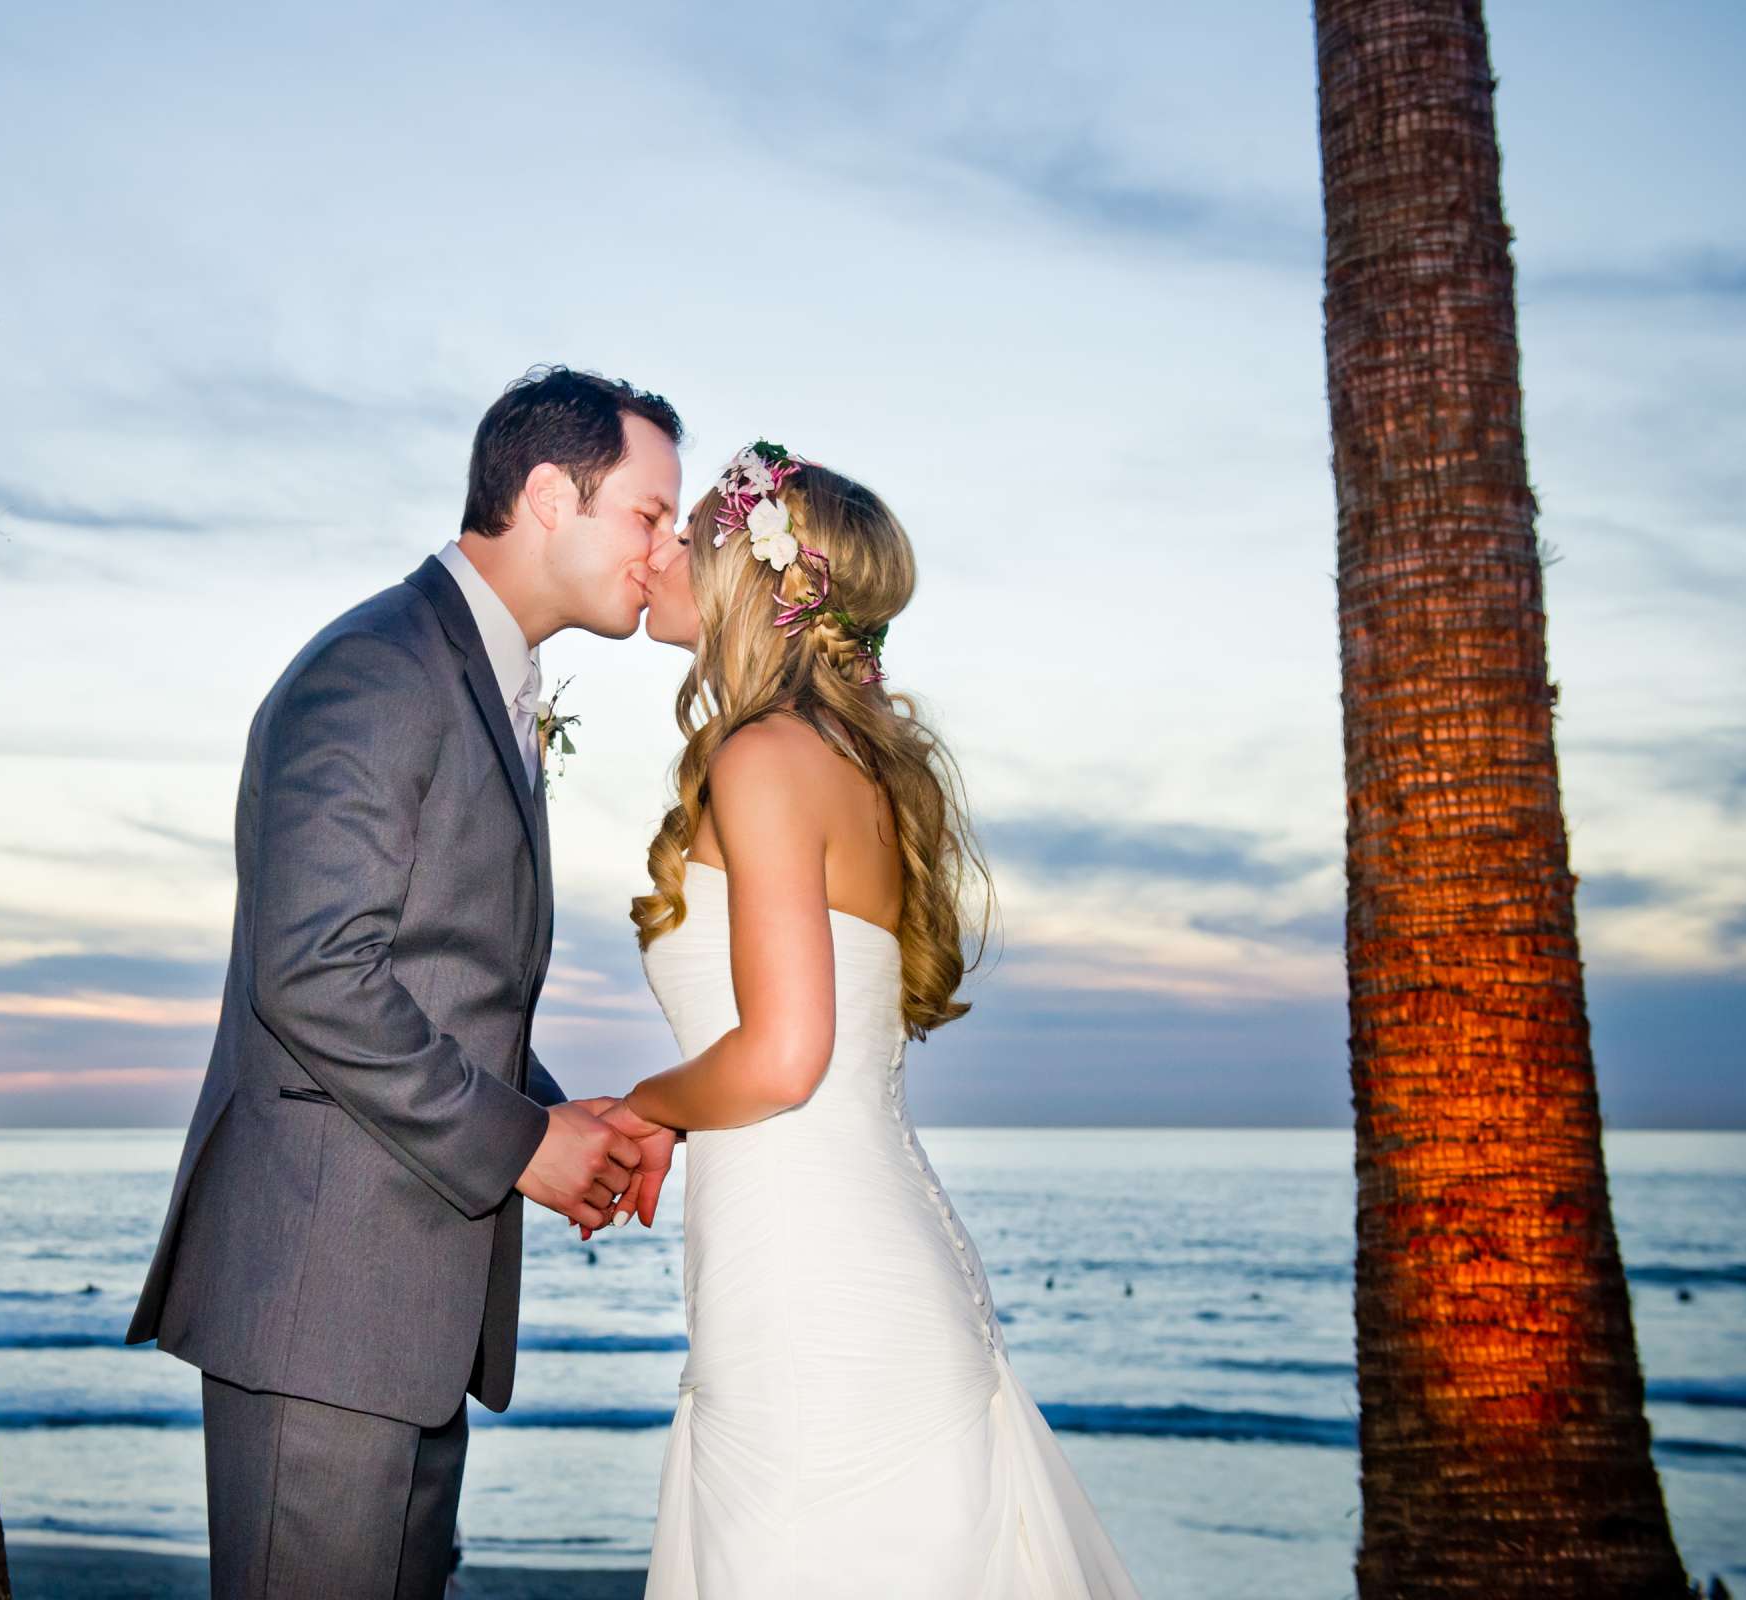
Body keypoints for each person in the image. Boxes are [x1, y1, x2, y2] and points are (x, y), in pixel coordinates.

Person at [124, 366, 683, 1599]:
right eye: (648, 514)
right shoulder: (379, 668)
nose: (666, 549)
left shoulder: (473, 675)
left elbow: (440, 979)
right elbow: (313, 973)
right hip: (324, 1308)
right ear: (550, 496)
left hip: (402, 1312)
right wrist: (518, 1144)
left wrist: (555, 1119)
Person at [616, 442, 1144, 1597]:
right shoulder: (849, 758)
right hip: (843, 1270)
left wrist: (645, 1108)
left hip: (817, 1309)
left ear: (751, 575)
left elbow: (785, 1054)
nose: (657, 553)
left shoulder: (764, 758)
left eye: (686, 533)